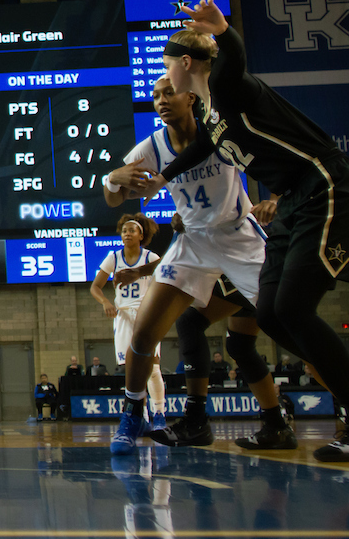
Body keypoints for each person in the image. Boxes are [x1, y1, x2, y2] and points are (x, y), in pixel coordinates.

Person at [132, 1, 349, 461]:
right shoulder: (211, 114)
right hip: (293, 200)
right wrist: (164, 178)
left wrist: (224, 32)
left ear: (185, 65)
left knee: (292, 307)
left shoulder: (227, 89)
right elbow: (206, 146)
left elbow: (234, 64)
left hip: (324, 184)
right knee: (271, 314)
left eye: (168, 64)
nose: (165, 73)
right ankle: (277, 420)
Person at [104, 76, 285, 453]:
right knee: (144, 334)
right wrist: (111, 179)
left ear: (191, 96)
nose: (160, 101)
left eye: (168, 93)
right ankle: (132, 414)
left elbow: (280, 165)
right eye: (154, 96)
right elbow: (113, 197)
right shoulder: (153, 145)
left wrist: (275, 199)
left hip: (238, 237)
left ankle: (284, 417)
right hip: (193, 242)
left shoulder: (219, 133)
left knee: (287, 326)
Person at [89, 213, 165, 428]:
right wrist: (105, 302)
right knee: (132, 371)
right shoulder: (114, 257)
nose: (127, 234)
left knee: (153, 368)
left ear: (141, 235)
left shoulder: (151, 258)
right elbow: (95, 286)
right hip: (123, 315)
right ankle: (142, 418)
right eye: (124, 231)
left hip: (146, 314)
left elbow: (166, 281)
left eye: (131, 230)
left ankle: (159, 413)